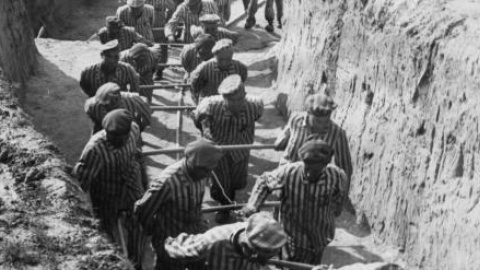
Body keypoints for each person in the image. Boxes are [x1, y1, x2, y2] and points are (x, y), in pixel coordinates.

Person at [242, 139, 347, 265]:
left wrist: (330, 212)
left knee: (313, 265)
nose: (309, 173)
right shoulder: (289, 172)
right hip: (293, 235)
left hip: (320, 235)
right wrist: (253, 205)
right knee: (291, 265)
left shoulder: (336, 176)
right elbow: (264, 181)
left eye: (315, 170)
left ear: (325, 165)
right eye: (307, 167)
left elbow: (338, 199)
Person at [134, 139, 223, 270]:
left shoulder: (202, 173)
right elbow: (142, 209)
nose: (209, 174)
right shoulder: (167, 182)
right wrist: (154, 231)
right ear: (192, 164)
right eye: (206, 170)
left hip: (195, 236)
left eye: (211, 169)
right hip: (170, 243)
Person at [74, 109, 146, 270]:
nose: (118, 141)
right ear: (106, 132)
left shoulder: (134, 129)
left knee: (139, 222)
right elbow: (81, 183)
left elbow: (138, 154)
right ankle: (114, 262)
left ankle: (135, 263)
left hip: (131, 183)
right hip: (106, 193)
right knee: (106, 230)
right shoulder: (94, 149)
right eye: (113, 137)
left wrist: (144, 182)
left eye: (122, 137)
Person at [193, 74, 264, 224]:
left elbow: (257, 116)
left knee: (238, 180)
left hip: (241, 147)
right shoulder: (211, 105)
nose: (236, 104)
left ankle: (230, 199)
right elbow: (199, 117)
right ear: (223, 98)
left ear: (245, 95)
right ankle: (224, 208)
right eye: (231, 100)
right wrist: (206, 130)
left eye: (239, 99)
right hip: (220, 148)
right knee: (221, 180)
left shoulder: (255, 105)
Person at [274, 92, 353, 193]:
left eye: (326, 121)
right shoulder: (296, 119)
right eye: (318, 122)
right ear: (308, 113)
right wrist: (281, 140)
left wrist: (342, 196)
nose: (322, 126)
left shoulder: (337, 134)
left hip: (314, 184)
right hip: (286, 176)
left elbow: (345, 169)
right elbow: (285, 134)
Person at [164, 212, 287, 270]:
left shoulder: (259, 231)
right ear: (249, 250)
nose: (265, 262)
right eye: (263, 258)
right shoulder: (211, 242)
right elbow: (176, 249)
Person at [190, 38, 247, 104]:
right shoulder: (204, 69)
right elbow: (194, 87)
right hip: (209, 104)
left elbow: (241, 83)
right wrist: (198, 104)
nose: (224, 63)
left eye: (228, 59)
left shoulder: (240, 68)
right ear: (215, 56)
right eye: (221, 59)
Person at [84, 82, 152, 134]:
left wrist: (137, 130)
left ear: (119, 97)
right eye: (105, 105)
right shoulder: (92, 105)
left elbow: (146, 118)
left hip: (128, 133)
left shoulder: (135, 100)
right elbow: (92, 116)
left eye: (112, 103)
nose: (109, 107)